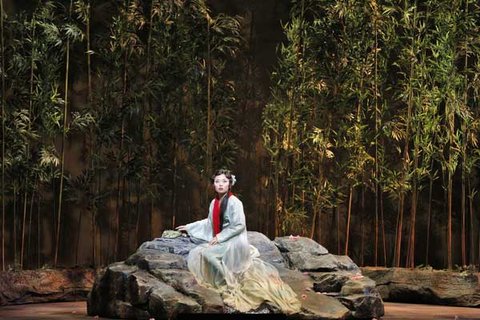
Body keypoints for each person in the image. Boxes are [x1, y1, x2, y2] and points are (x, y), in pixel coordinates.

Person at [176, 169, 301, 314]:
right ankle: (225, 279)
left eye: (224, 181)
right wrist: (189, 227)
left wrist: (220, 237)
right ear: (213, 185)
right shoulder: (214, 202)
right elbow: (209, 222)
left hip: (234, 240)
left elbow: (239, 225)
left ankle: (229, 284)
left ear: (230, 184)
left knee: (208, 255)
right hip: (224, 239)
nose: (220, 184)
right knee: (200, 253)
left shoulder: (235, 202)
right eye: (217, 181)